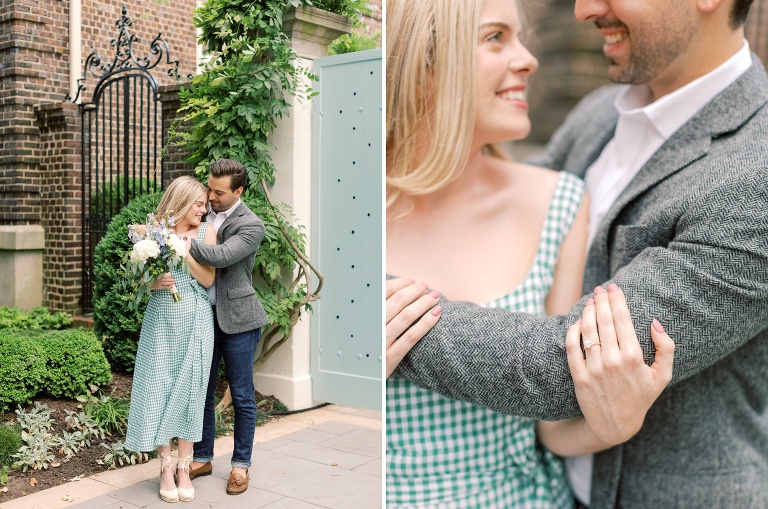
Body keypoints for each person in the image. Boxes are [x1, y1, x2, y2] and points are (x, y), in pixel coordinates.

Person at [392, 0, 768, 507]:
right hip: (555, 483)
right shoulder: (599, 112)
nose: (583, 9)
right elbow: (500, 214)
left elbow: (563, 365)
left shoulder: (754, 174)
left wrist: (371, 307)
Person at [124, 176, 217, 503]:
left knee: (192, 391)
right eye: (198, 204)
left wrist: (187, 253)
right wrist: (152, 281)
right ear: (181, 201)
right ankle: (165, 468)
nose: (203, 211)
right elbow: (138, 280)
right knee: (158, 387)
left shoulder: (208, 233)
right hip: (162, 319)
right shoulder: (154, 232)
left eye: (205, 205)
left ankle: (184, 468)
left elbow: (208, 279)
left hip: (195, 318)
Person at [182, 159, 269, 495]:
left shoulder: (251, 225)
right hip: (203, 315)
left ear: (239, 191)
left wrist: (176, 242)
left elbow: (219, 257)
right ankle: (202, 457)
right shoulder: (204, 211)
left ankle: (240, 467)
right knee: (201, 391)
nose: (211, 196)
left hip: (240, 321)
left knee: (243, 396)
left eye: (219, 192)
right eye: (210, 188)